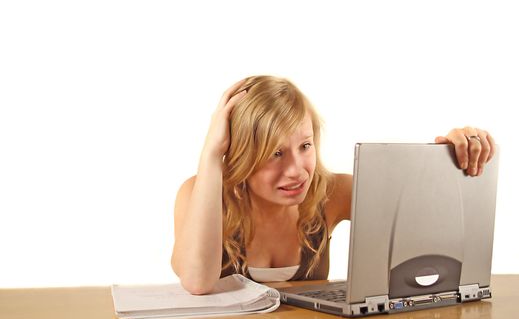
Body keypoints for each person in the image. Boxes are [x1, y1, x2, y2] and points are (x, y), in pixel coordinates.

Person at [170, 75, 496, 295]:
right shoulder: (200, 194)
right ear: (239, 152)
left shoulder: (331, 193)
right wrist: (212, 154)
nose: (297, 171)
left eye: (305, 146)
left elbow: (431, 217)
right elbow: (197, 282)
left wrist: (455, 155)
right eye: (275, 153)